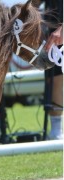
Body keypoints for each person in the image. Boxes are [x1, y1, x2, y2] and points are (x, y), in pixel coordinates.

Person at [43, 0, 63, 140]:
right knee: (54, 77)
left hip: (59, 30)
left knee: (58, 79)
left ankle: (57, 130)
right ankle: (56, 129)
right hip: (52, 29)